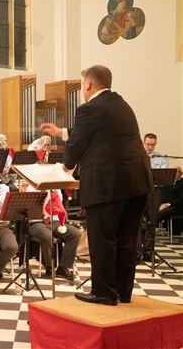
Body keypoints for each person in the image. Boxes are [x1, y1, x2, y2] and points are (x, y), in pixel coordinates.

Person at [42, 65, 152, 305]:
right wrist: (61, 131)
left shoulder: (89, 109)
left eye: (82, 85)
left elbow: (75, 148)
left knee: (103, 239)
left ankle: (103, 292)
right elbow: (99, 132)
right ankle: (122, 292)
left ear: (88, 85)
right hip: (137, 182)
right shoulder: (121, 104)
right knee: (127, 240)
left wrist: (64, 167)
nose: (82, 89)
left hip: (108, 185)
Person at [21, 182, 81, 282]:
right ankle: (50, 267)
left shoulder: (55, 188)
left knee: (75, 233)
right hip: (37, 222)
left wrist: (51, 192)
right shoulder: (31, 188)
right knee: (47, 236)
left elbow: (58, 203)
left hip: (55, 222)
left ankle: (63, 267)